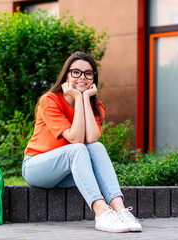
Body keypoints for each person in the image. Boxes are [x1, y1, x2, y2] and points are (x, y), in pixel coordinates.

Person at [22, 51, 142, 233]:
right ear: (66, 75)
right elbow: (76, 139)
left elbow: (92, 139)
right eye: (76, 72)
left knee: (96, 147)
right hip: (37, 168)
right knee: (77, 148)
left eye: (88, 73)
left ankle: (120, 209)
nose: (82, 77)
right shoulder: (50, 100)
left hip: (67, 173)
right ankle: (101, 212)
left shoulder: (95, 105)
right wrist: (78, 97)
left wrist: (84, 98)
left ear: (94, 77)